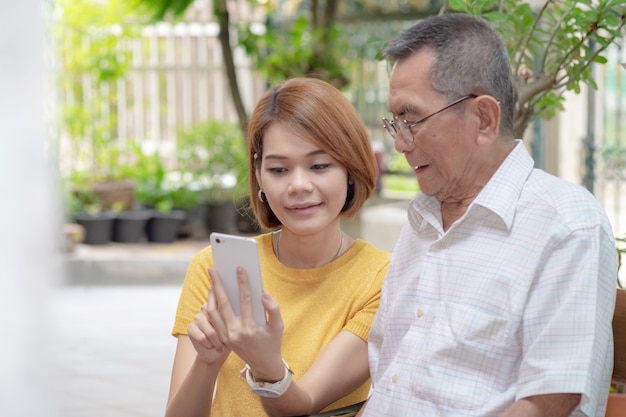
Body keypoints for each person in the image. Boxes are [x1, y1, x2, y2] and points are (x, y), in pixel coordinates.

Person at [357, 13, 617, 417]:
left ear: (483, 119)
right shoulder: (421, 223)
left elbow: (546, 405)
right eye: (396, 123)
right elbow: (389, 382)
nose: (401, 144)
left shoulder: (566, 225)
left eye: (413, 120)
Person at [165, 77, 390, 417]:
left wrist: (266, 363)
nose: (298, 185)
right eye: (279, 169)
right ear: (259, 177)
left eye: (319, 166)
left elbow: (302, 405)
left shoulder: (382, 278)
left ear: (350, 170)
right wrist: (207, 364)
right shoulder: (213, 267)